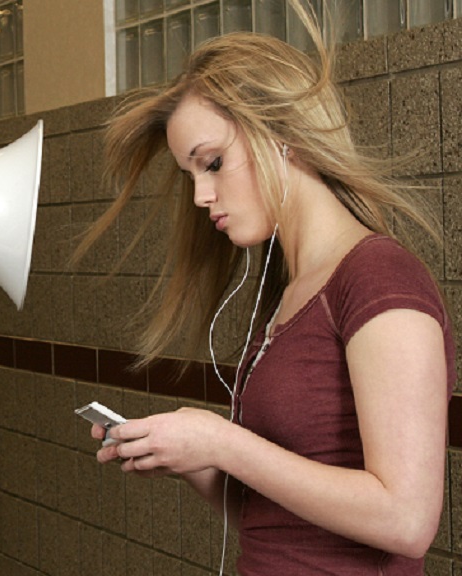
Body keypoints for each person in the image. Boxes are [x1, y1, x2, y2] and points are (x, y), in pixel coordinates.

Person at [74, 2, 454, 574]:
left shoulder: (378, 279)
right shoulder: (290, 294)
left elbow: (406, 520)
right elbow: (278, 520)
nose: (201, 196)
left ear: (283, 135)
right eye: (190, 175)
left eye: (213, 162)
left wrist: (223, 443)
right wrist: (194, 460)